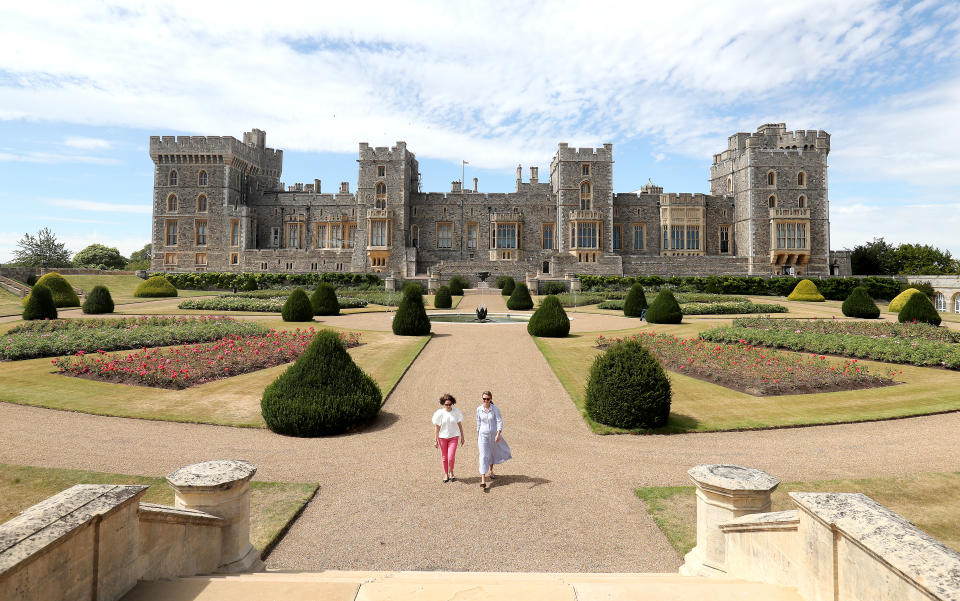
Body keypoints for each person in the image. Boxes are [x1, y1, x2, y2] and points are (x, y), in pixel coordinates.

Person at [476, 390, 511, 489]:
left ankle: (491, 470)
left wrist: (498, 433)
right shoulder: (478, 409)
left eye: (487, 399)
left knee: (491, 453)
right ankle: (483, 479)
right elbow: (478, 422)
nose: (485, 401)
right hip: (483, 436)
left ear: (490, 399)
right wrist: (478, 435)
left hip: (494, 436)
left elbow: (499, 421)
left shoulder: (495, 409)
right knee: (483, 455)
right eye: (484, 399)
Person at [432, 393, 465, 483]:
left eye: (450, 404)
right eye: (446, 404)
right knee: (444, 457)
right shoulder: (440, 413)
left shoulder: (456, 412)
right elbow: (437, 427)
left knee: (451, 457)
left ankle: (451, 471)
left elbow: (460, 425)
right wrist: (435, 440)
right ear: (443, 404)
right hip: (442, 437)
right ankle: (446, 473)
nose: (448, 406)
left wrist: (462, 436)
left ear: (452, 404)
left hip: (454, 437)